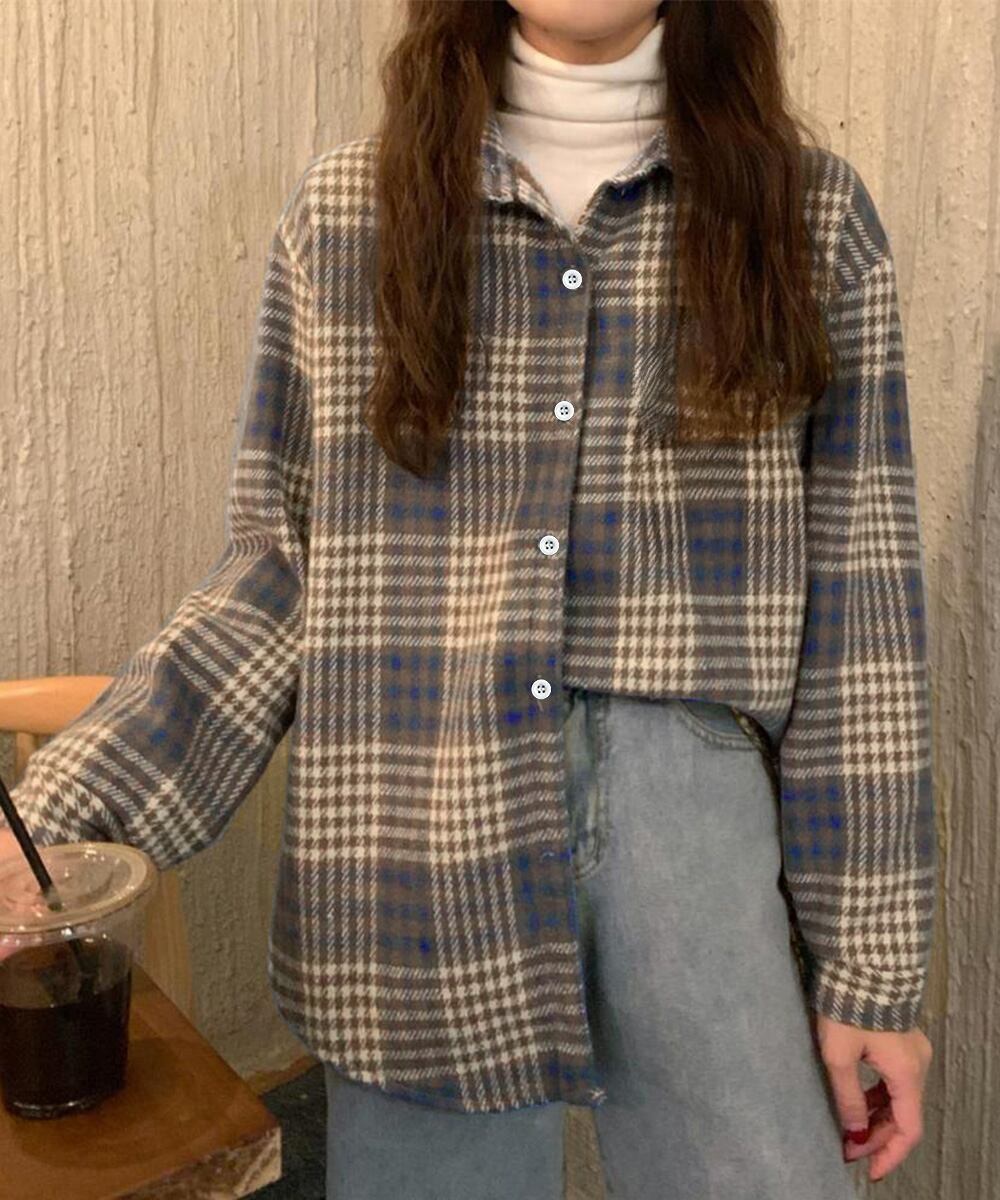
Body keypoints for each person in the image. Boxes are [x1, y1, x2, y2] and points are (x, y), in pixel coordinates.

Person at [2, 1, 936, 1197]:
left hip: (694, 839)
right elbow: (281, 572)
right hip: (407, 821)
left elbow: (862, 612)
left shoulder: (809, 220)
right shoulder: (349, 215)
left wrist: (870, 970)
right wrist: (59, 825)